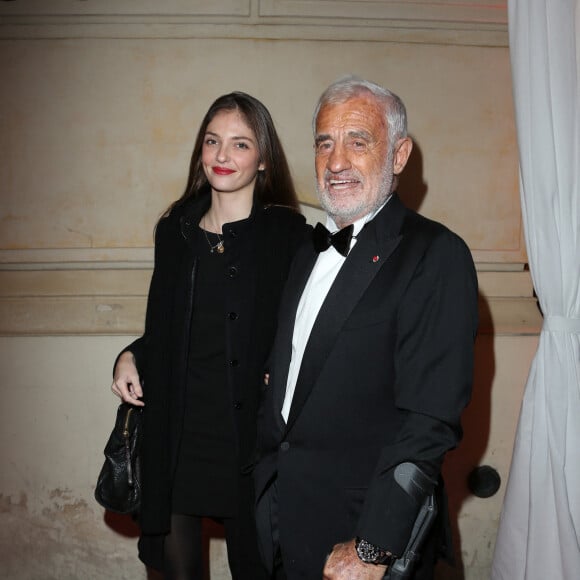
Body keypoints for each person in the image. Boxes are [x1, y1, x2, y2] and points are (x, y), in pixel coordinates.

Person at [254, 76, 479, 580]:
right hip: (281, 519)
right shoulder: (304, 252)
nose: (336, 162)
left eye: (359, 141)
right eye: (324, 143)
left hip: (361, 536)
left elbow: (430, 421)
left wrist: (374, 547)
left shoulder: (435, 255)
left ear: (399, 156)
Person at [111, 91, 310, 580]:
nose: (223, 156)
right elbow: (164, 327)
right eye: (212, 141)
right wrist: (129, 356)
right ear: (200, 151)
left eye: (241, 145)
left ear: (263, 159)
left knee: (257, 569)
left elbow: (306, 330)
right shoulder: (175, 230)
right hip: (179, 434)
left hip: (249, 439)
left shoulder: (288, 233)